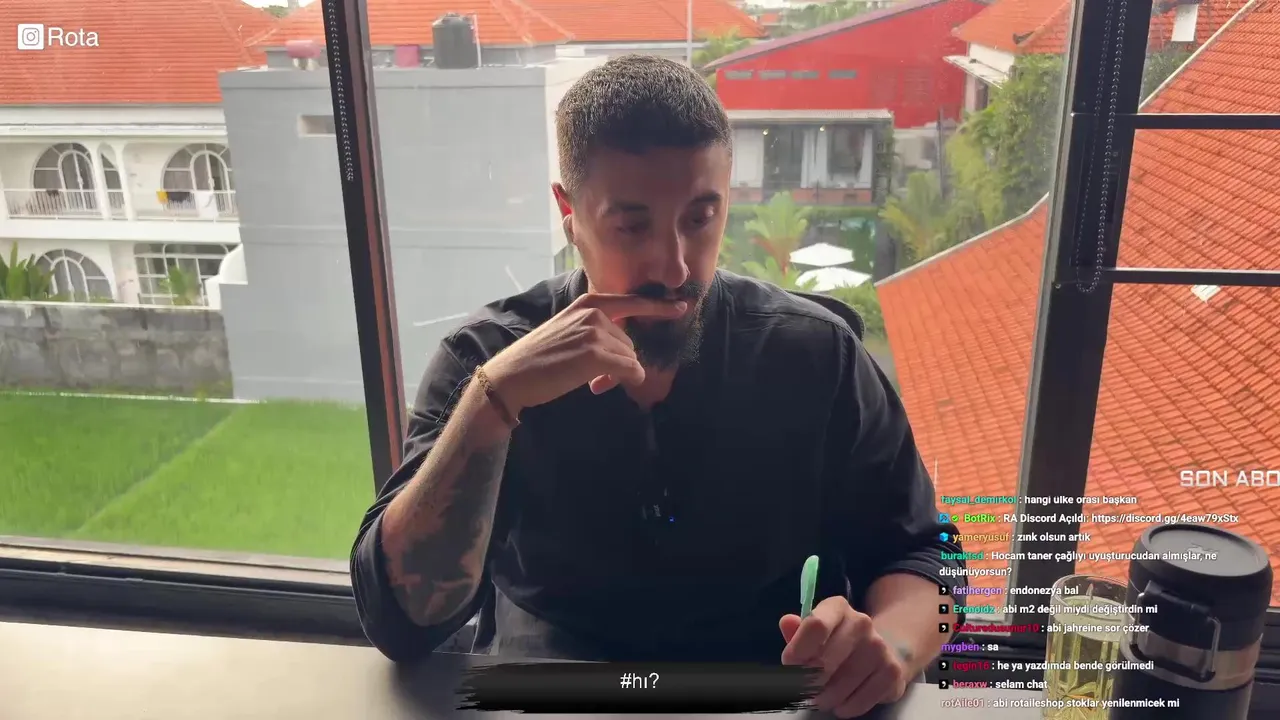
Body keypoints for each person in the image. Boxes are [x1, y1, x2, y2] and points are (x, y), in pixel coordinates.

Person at [351, 55, 968, 719]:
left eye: (700, 218)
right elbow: (402, 622)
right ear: (569, 212)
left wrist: (892, 646)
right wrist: (491, 405)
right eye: (633, 225)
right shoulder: (486, 360)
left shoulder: (815, 355)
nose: (674, 267)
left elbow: (929, 554)